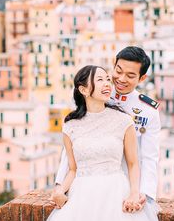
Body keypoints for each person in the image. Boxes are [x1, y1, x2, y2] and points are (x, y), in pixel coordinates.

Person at [53, 46, 160, 220]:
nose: (121, 79)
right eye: (118, 71)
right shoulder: (96, 94)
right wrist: (60, 186)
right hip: (87, 186)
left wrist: (143, 194)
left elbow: (149, 157)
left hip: (124, 187)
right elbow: (72, 149)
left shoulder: (147, 110)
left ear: (142, 78)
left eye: (131, 75)